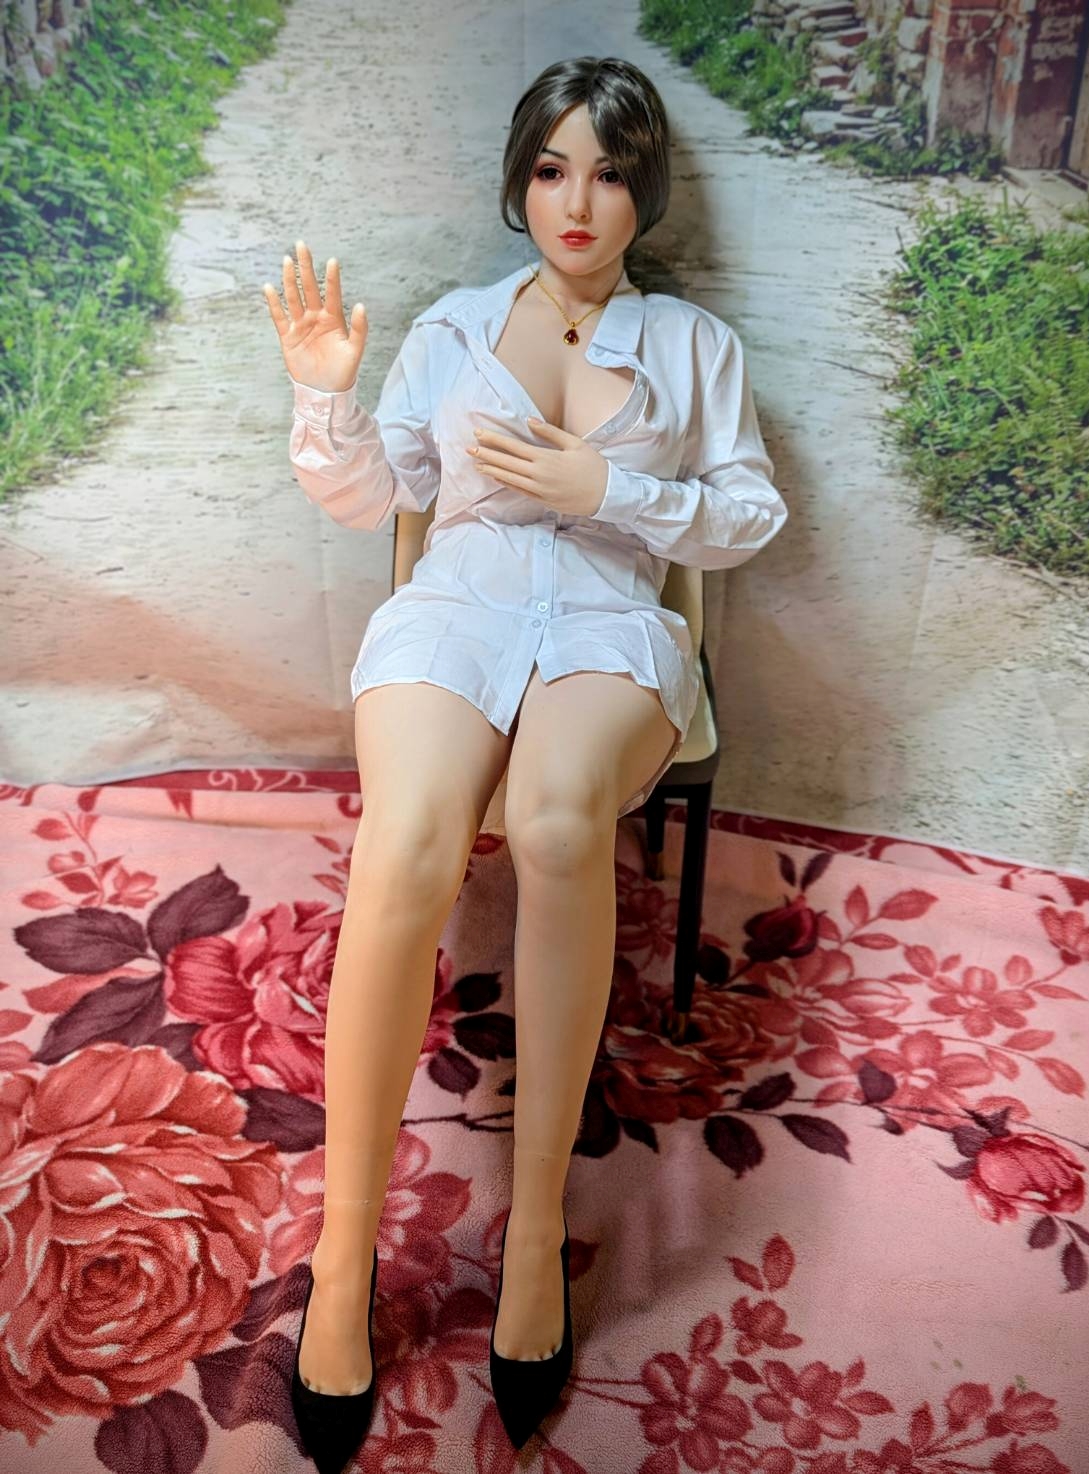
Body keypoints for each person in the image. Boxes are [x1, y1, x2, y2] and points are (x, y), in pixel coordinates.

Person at [262, 54, 788, 1470]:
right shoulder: (451, 328)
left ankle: (538, 1228)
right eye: (554, 167)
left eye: (610, 172)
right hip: (459, 603)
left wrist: (605, 486)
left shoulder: (693, 345)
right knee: (407, 843)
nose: (579, 201)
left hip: (611, 620)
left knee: (557, 824)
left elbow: (746, 516)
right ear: (521, 179)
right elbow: (380, 496)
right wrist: (324, 397)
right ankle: (344, 1254)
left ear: (642, 193)